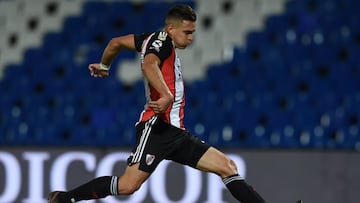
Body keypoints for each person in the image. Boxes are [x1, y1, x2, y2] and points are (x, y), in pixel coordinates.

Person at [48, 4, 266, 203]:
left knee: (227, 167)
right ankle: (65, 199)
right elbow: (149, 65)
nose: (191, 38)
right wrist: (166, 95)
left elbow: (116, 43)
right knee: (127, 185)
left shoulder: (148, 39)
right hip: (157, 128)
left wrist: (105, 66)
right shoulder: (163, 44)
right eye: (187, 32)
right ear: (171, 29)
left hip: (175, 133)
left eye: (193, 33)